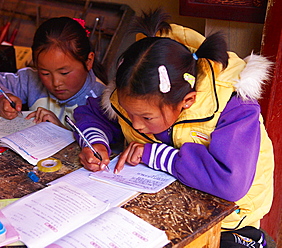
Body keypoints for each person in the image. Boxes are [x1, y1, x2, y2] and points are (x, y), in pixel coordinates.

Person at [73, 9, 274, 248]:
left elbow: (230, 183)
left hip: (230, 221)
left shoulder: (233, 106)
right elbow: (89, 114)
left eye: (147, 117)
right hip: (165, 208)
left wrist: (155, 154)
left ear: (186, 101)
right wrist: (96, 142)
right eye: (129, 113)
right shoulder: (129, 96)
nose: (136, 124)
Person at [0, 17, 107, 128]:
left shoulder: (102, 101)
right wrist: (2, 98)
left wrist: (59, 129)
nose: (56, 83)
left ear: (88, 61)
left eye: (64, 73)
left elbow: (105, 150)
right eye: (45, 73)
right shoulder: (30, 80)